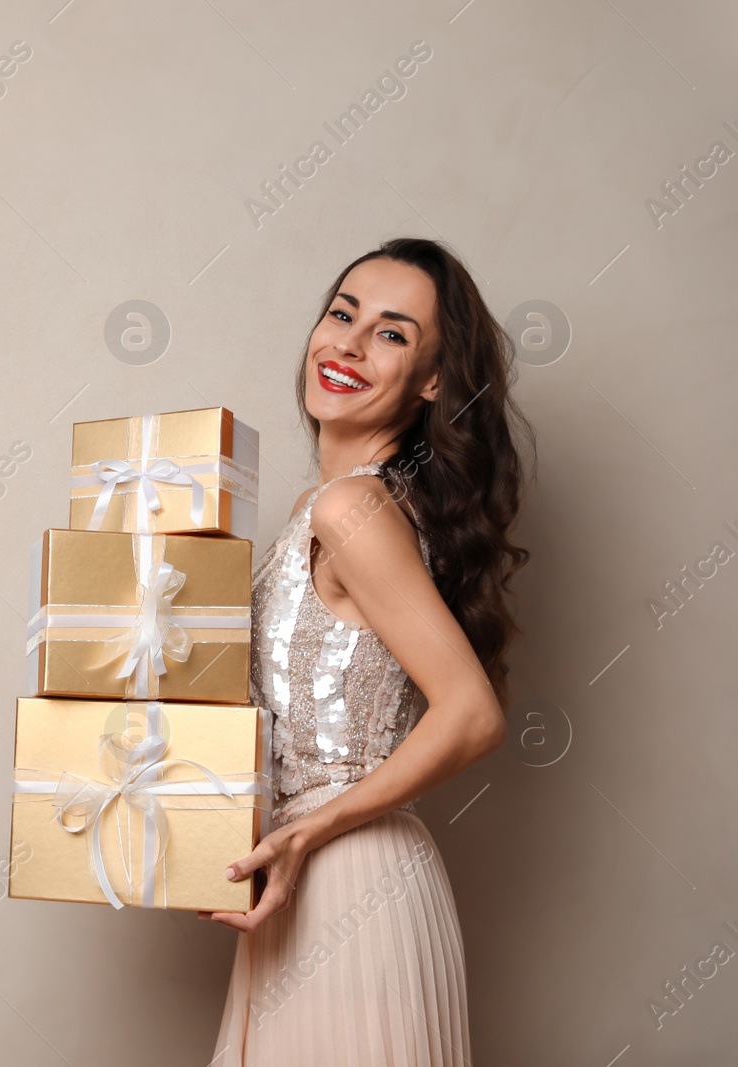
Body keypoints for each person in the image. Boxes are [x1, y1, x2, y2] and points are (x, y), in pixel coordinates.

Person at [204, 237, 533, 1064]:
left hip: (347, 882)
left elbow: (471, 713)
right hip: (309, 883)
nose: (347, 343)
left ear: (433, 380)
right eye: (342, 313)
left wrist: (309, 834)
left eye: (391, 332)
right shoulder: (325, 506)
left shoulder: (351, 508)